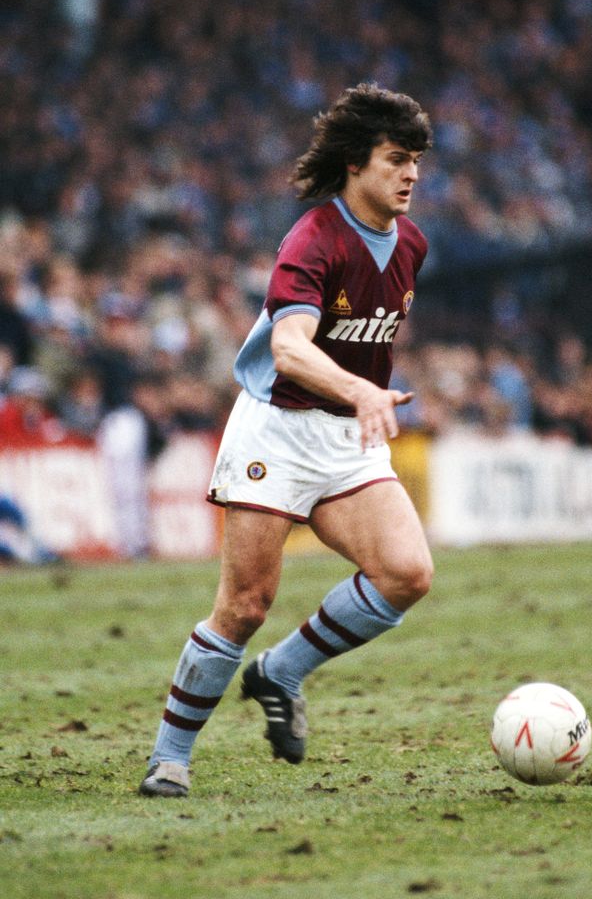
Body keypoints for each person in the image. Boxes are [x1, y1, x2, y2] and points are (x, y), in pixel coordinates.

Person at [139, 83, 434, 798]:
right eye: (397, 159)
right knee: (245, 604)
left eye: (417, 161)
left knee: (407, 572)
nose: (411, 174)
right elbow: (292, 347)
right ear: (356, 163)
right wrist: (363, 389)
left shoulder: (413, 245)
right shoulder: (313, 238)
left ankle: (283, 672)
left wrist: (364, 394)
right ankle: (169, 758)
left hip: (345, 438)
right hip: (277, 427)